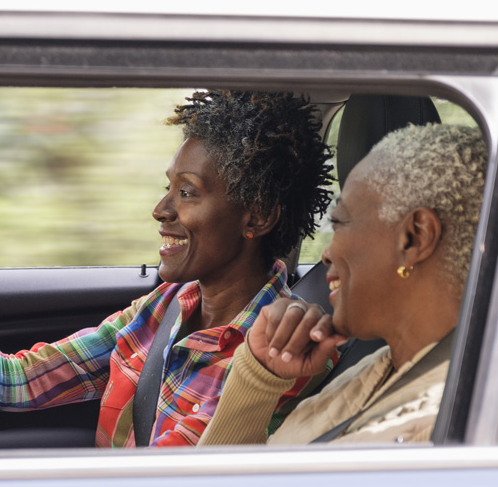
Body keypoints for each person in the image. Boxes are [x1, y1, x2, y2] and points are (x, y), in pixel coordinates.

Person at [0, 90, 336, 448]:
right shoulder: (165, 310)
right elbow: (19, 382)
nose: (161, 210)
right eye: (168, 187)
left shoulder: (280, 351)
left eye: (187, 192)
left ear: (258, 217)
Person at [198, 123, 487, 446]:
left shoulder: (442, 425)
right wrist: (259, 377)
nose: (326, 254)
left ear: (414, 238)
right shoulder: (375, 373)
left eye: (340, 223)